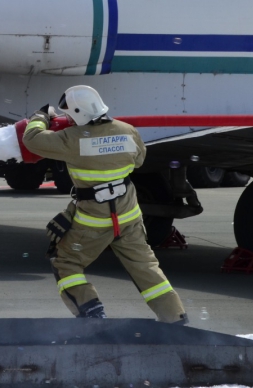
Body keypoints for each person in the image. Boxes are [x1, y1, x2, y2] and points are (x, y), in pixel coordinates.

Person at [22, 85, 188, 325]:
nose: (67, 118)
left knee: (66, 263)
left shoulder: (72, 139)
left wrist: (40, 117)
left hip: (93, 221)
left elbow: (32, 140)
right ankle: (175, 318)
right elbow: (139, 160)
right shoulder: (128, 131)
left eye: (69, 114)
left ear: (79, 112)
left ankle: (92, 313)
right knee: (146, 268)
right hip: (129, 216)